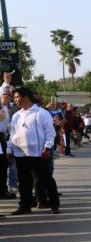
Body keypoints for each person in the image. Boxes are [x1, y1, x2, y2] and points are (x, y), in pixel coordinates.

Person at [7, 87, 60, 215]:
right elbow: (12, 134)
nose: (15, 100)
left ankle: (54, 205)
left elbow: (50, 132)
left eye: (16, 97)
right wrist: (9, 149)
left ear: (25, 97)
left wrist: (47, 148)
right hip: (21, 154)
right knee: (24, 182)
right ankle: (25, 206)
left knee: (45, 180)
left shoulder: (41, 113)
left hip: (39, 153)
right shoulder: (16, 116)